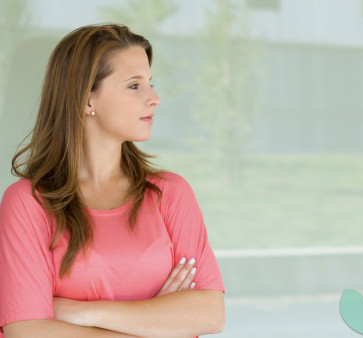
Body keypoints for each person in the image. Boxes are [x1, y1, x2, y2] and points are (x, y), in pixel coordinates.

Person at [0, 23, 225, 337]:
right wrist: (157, 324)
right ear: (86, 99)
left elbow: (210, 313)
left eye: (150, 82)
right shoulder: (28, 203)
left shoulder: (171, 194)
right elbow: (26, 331)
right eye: (134, 86)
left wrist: (82, 312)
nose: (155, 98)